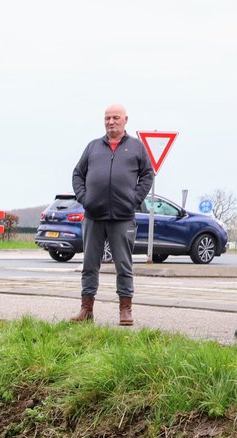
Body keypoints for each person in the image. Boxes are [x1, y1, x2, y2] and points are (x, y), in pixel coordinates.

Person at [70, 103, 154, 327]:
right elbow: (78, 174)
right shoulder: (92, 147)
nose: (111, 122)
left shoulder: (136, 148)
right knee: (89, 264)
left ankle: (125, 310)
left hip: (123, 217)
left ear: (126, 120)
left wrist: (133, 199)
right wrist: (85, 199)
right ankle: (86, 309)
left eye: (116, 118)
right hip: (93, 216)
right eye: (107, 118)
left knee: (123, 265)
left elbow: (148, 175)